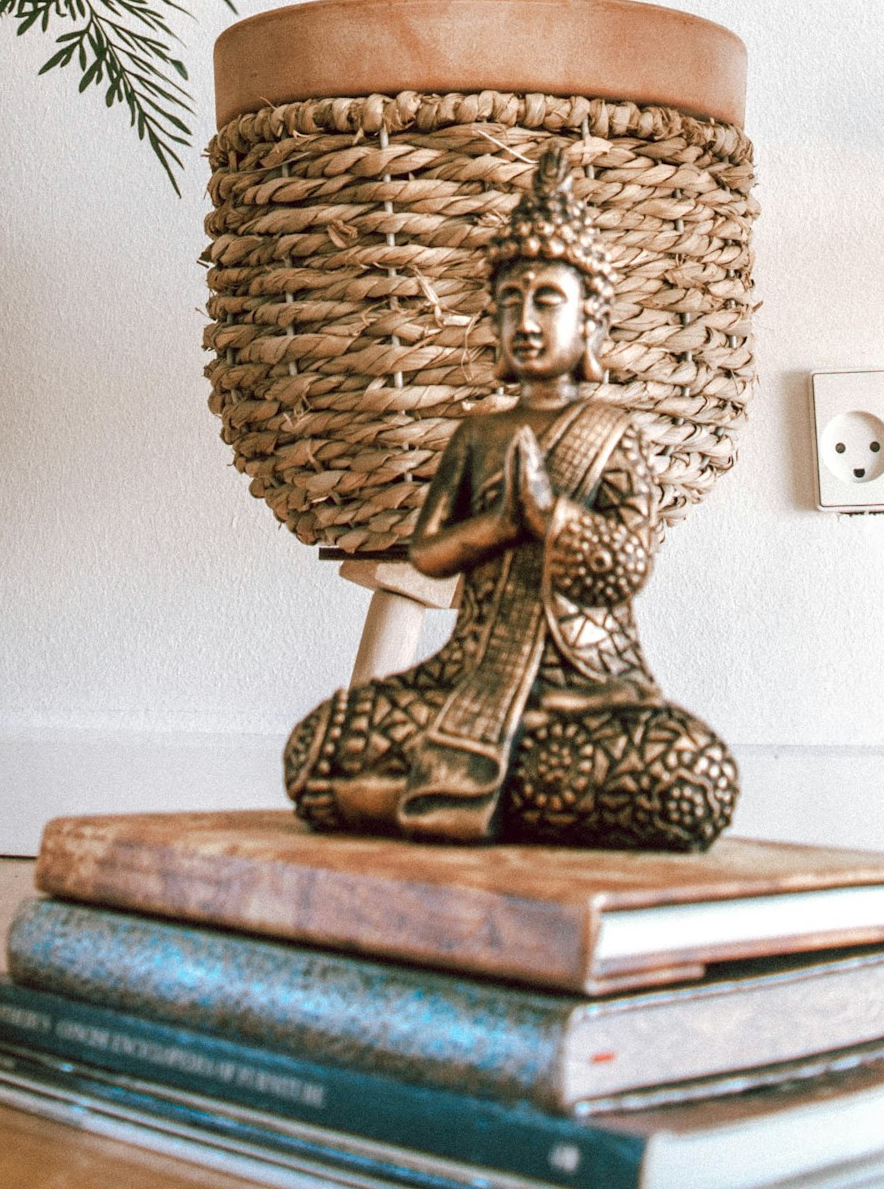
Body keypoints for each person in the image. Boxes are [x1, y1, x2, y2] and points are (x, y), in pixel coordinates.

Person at [284, 148, 738, 848]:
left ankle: (445, 795)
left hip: (586, 694)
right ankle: (512, 798)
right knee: (317, 745)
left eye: (546, 300)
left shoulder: (610, 432)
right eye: (508, 303)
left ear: (591, 321)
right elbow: (430, 555)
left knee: (693, 776)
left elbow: (627, 565)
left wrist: (552, 519)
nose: (525, 321)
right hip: (470, 682)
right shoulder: (477, 435)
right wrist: (500, 524)